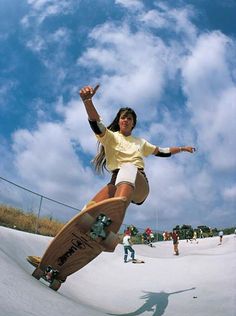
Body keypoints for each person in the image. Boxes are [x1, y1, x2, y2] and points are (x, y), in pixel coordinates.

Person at [27, 84, 196, 266]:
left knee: (128, 167)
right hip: (117, 182)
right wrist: (87, 101)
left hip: (139, 184)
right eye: (123, 117)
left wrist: (183, 148)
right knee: (85, 214)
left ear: (133, 123)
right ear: (119, 120)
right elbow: (96, 123)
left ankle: (114, 218)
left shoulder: (141, 142)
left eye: (129, 118)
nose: (126, 120)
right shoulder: (111, 137)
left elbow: (162, 151)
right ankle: (49, 260)